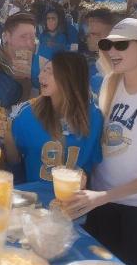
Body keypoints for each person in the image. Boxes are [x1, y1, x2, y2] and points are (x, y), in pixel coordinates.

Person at [65, 19, 137, 265]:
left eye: (121, 45)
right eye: (107, 44)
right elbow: (104, 142)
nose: (112, 51)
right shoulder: (112, 83)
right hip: (99, 199)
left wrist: (104, 197)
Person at [5, 52, 103, 184]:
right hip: (35, 199)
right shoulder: (26, 113)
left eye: (48, 72)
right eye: (42, 71)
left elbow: (91, 169)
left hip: (73, 200)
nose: (40, 77)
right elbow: (15, 165)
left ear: (69, 77)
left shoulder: (94, 117)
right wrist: (7, 134)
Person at [83, 8, 119, 98]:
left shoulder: (122, 68)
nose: (88, 38)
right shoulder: (99, 64)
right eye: (88, 33)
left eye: (94, 34)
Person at [1, 11, 38, 97]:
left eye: (32, 37)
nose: (29, 44)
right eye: (23, 37)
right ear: (7, 37)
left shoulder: (39, 65)